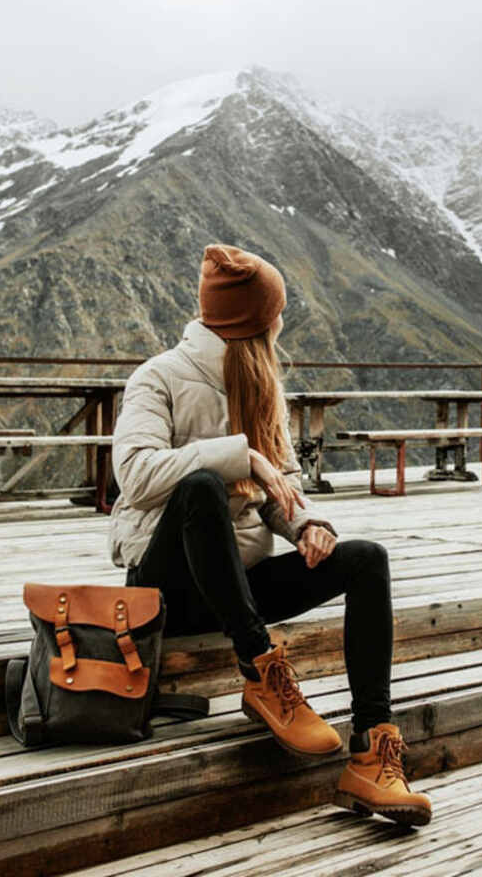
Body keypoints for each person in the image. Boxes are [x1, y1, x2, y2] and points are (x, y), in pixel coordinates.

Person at [108, 243, 432, 827]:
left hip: (239, 584)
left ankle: (371, 749)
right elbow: (132, 474)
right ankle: (263, 670)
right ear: (257, 321)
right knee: (202, 487)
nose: (282, 323)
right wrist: (240, 457)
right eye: (276, 313)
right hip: (167, 594)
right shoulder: (158, 377)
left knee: (367, 559)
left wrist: (306, 524)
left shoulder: (259, 385)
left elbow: (280, 485)